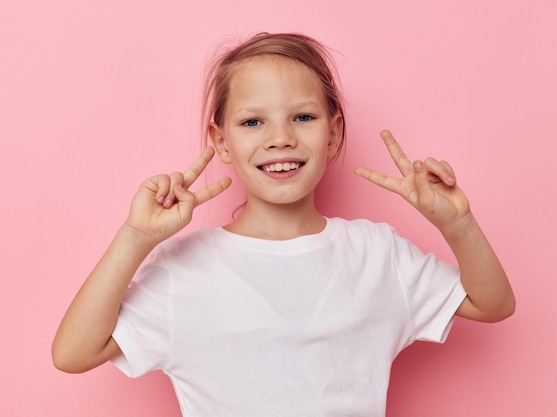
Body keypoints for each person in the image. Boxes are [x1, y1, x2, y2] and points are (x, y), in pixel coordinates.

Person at [52, 32, 515, 416]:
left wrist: (459, 224)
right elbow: (73, 354)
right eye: (253, 121)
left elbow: (491, 304)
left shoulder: (378, 253)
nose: (280, 138)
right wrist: (135, 237)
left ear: (333, 133)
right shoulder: (183, 267)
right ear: (222, 141)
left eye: (303, 117)